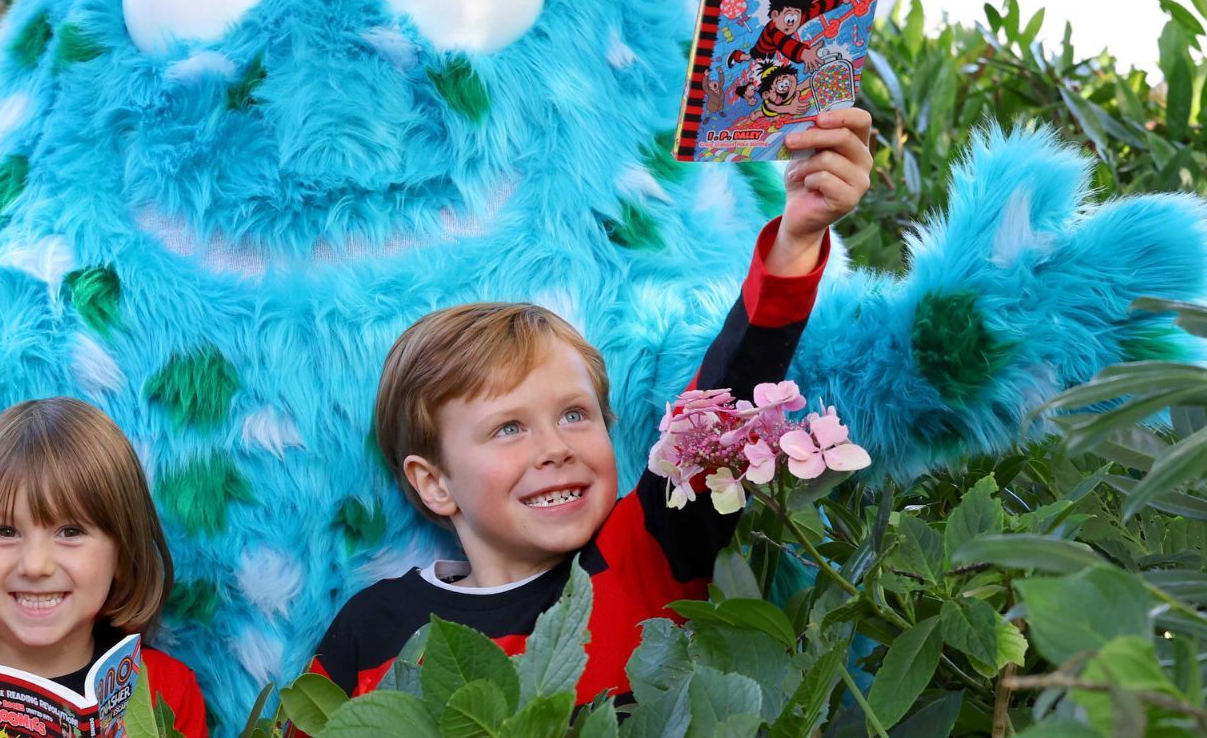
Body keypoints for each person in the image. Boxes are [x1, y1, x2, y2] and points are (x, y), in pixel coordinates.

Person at [304, 114, 873, 705]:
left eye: (576, 414)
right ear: (435, 482)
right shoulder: (371, 631)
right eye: (508, 427)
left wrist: (797, 240)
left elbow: (726, 398)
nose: (556, 448)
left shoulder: (646, 548)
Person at [0, 398, 208, 736]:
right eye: (6, 532)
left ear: (120, 554)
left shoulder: (167, 690)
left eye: (71, 532)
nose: (35, 566)